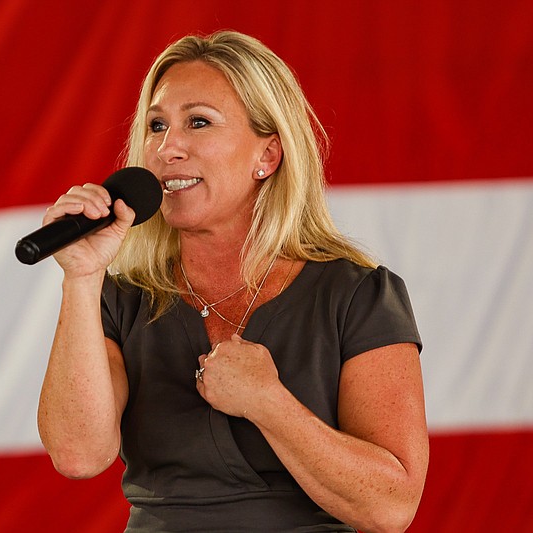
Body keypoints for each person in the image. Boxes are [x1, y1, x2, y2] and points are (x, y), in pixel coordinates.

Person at [36, 30, 428, 533]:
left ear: (267, 156)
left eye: (198, 122)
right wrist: (82, 278)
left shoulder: (357, 295)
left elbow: (391, 508)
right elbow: (77, 455)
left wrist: (270, 404)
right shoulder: (121, 298)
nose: (167, 147)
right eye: (156, 126)